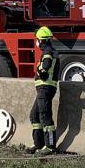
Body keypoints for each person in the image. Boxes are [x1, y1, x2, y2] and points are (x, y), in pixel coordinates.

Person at [27, 27, 59, 156]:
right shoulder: (49, 51)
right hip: (43, 88)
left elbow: (46, 65)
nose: (37, 42)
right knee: (34, 115)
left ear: (42, 41)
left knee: (45, 116)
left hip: (45, 88)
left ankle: (50, 146)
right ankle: (38, 143)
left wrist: (41, 71)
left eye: (38, 40)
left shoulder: (48, 52)